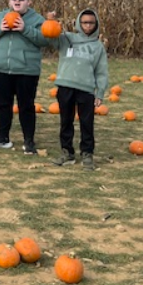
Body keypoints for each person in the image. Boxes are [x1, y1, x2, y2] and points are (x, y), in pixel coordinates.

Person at [0, 0, 51, 154]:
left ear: (29, 1)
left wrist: (24, 28)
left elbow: (45, 39)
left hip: (26, 70)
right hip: (1, 69)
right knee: (2, 104)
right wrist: (0, 29)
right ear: (9, 1)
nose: (17, 1)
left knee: (26, 106)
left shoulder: (36, 19)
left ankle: (29, 141)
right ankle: (2, 138)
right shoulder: (0, 17)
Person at [49, 9, 109, 170]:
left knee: (86, 122)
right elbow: (50, 37)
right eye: (84, 22)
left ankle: (87, 153)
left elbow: (101, 72)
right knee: (66, 121)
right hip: (65, 86)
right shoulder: (67, 39)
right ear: (78, 23)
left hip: (86, 89)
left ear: (96, 24)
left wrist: (100, 92)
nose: (87, 26)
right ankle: (67, 152)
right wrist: (51, 21)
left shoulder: (98, 47)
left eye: (91, 23)